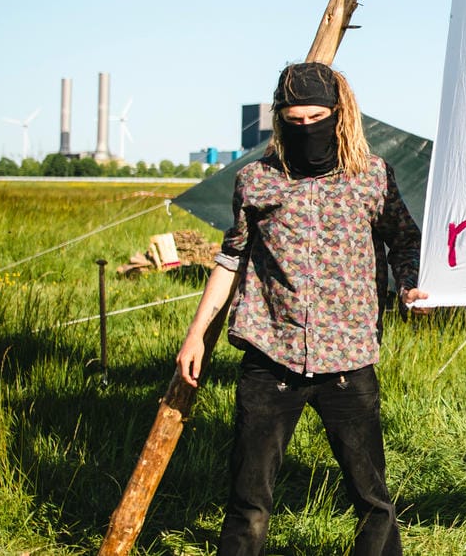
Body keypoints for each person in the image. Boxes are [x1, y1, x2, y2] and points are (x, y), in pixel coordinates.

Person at [175, 62, 425, 556]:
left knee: (372, 500)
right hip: (271, 358)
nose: (307, 128)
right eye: (295, 119)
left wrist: (410, 286)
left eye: (317, 117)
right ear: (281, 119)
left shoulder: (372, 177)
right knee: (248, 502)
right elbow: (231, 256)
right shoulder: (255, 181)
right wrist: (197, 333)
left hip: (348, 361)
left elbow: (405, 242)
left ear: (339, 114)